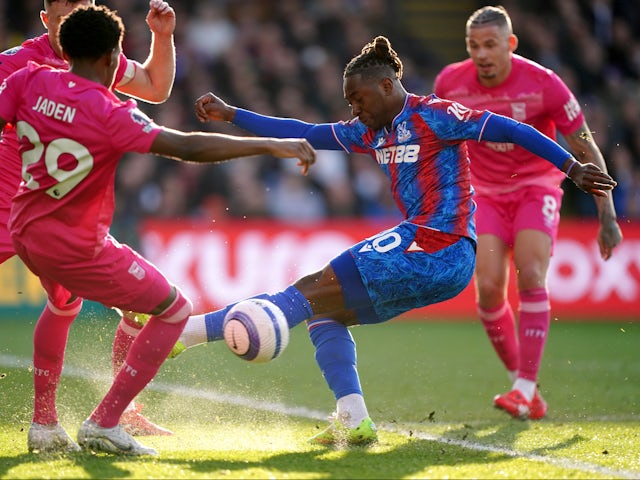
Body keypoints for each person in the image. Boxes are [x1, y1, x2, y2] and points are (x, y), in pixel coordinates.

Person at [181, 35, 615, 446]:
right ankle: (354, 421)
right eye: (350, 102)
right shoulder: (368, 132)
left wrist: (571, 167)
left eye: (358, 98)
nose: (353, 109)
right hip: (436, 260)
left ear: (387, 85)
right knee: (323, 313)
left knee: (308, 289)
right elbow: (304, 130)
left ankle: (188, 333)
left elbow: (511, 130)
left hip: (440, 242)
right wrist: (233, 114)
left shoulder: (435, 114)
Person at [0, 4, 315, 456]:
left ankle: (53, 424)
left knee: (69, 303)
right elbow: (186, 146)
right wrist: (268, 143)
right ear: (113, 58)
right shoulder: (109, 110)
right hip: (74, 244)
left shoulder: (27, 80)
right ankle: (104, 423)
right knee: (173, 308)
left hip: (24, 225)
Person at [0, 0, 178, 444]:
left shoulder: (98, 59)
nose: (74, 19)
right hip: (12, 203)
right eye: (63, 14)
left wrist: (162, 36)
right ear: (46, 20)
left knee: (104, 304)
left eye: (82, 8)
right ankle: (68, 421)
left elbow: (156, 88)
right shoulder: (20, 64)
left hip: (68, 216)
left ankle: (111, 412)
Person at [433, 5, 622, 420]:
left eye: (490, 45)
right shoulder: (450, 82)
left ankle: (522, 387)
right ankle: (526, 386)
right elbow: (439, 142)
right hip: (482, 193)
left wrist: (606, 215)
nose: (481, 54)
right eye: (473, 46)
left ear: (510, 44)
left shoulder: (544, 84)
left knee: (532, 273)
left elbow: (585, 147)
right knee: (486, 290)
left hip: (536, 187)